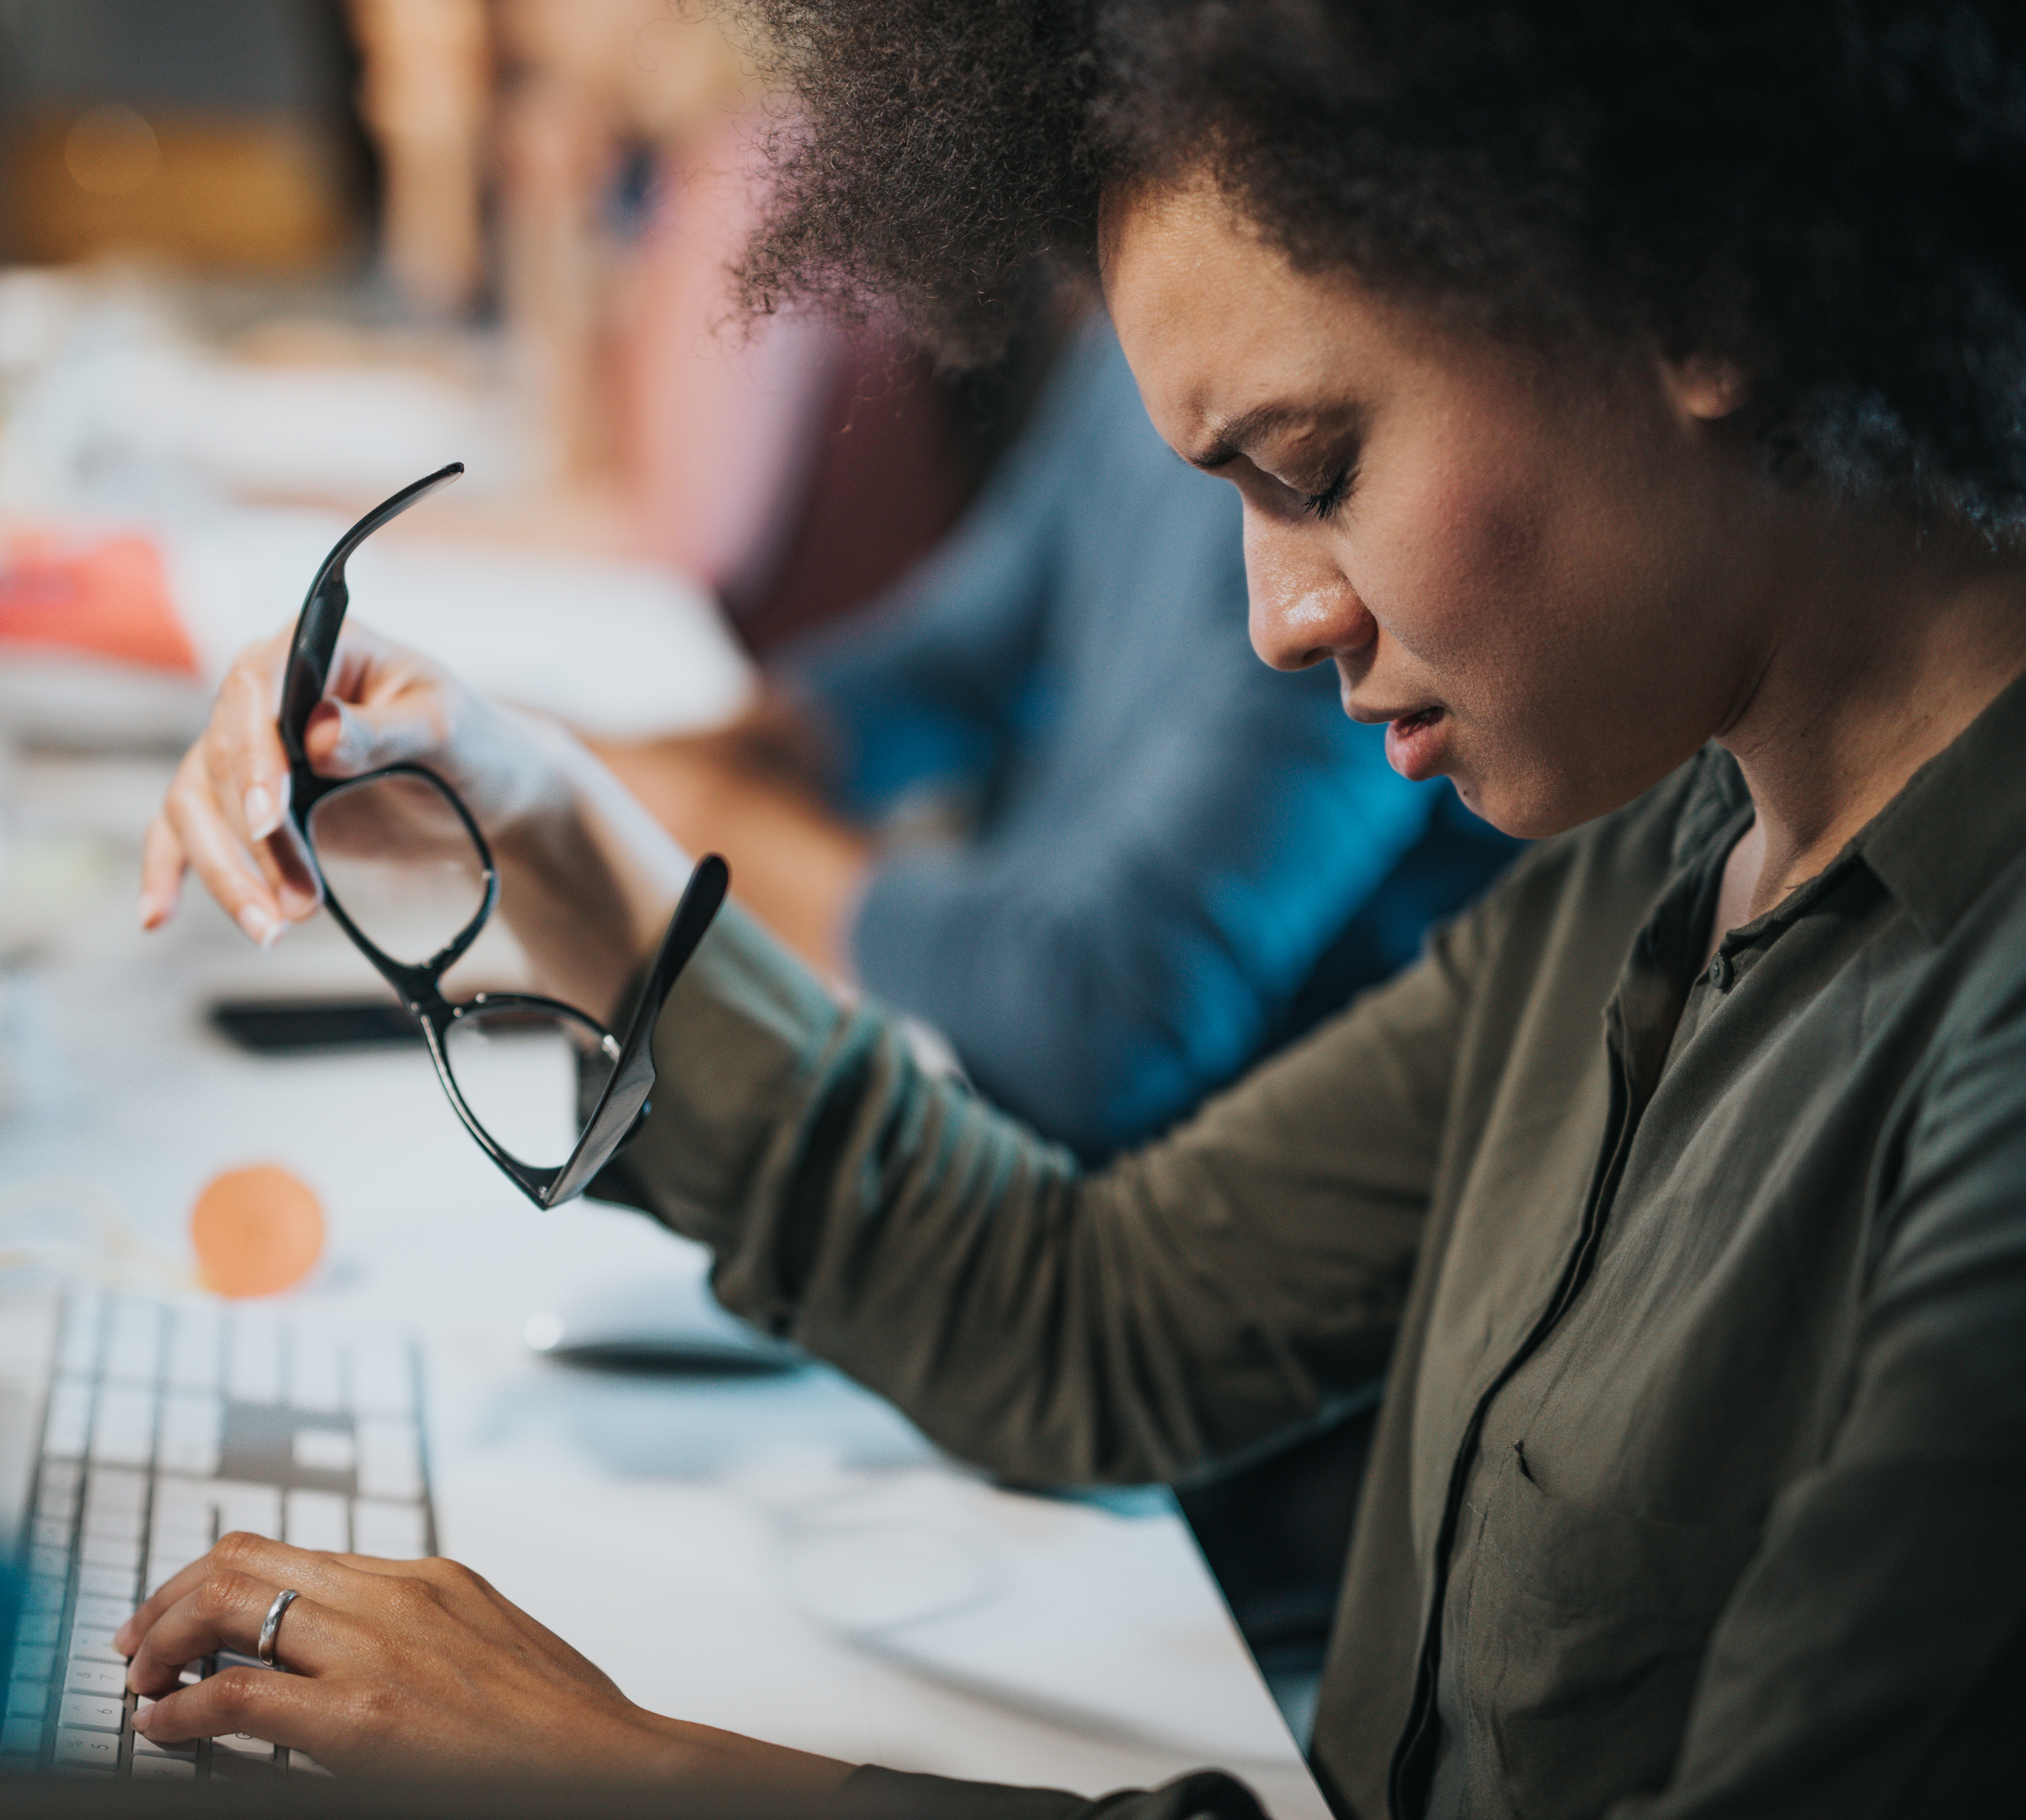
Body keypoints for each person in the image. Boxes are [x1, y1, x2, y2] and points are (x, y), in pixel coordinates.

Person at [126, 3, 2026, 1815]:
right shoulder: (1673, 849)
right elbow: (1094, 1314)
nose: (1281, 616)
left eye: (1317, 471)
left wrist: (623, 1772)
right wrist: (540, 827)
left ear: (1702, 288)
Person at [599, 314, 1518, 1161]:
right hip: (995, 1123)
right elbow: (957, 659)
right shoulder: (1158, 321)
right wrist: (661, 765)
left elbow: (1100, 1014)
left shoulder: (1364, 482)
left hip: (1165, 1215)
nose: (1282, 625)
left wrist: (680, 821)